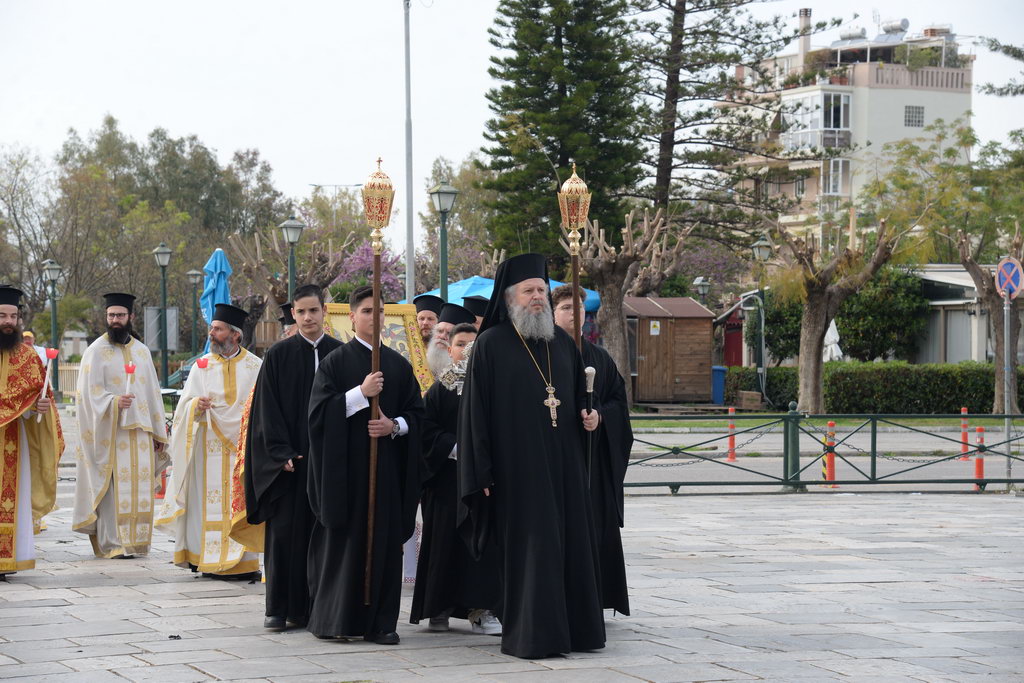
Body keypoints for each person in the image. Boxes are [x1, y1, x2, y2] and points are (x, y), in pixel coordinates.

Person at [458, 253, 604, 659]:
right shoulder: (490, 345)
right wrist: (481, 471)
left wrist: (591, 417)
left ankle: (577, 631)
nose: (537, 297)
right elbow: (474, 416)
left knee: (570, 545)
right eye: (529, 291)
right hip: (516, 472)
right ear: (510, 298)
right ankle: (534, 635)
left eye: (541, 289)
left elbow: (578, 402)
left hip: (565, 469)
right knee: (533, 550)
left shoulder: (563, 345)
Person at [306, 285, 424, 644]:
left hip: (385, 472)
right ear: (353, 317)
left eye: (381, 310)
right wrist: (360, 394)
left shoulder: (399, 365)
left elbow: (417, 416)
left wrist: (395, 426)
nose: (376, 317)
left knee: (384, 544)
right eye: (368, 311)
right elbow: (318, 415)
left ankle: (381, 622)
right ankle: (339, 620)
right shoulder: (335, 362)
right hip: (346, 475)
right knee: (347, 543)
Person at [245, 285, 342, 631]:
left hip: (328, 462)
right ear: (294, 315)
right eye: (300, 312)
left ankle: (314, 608)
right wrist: (280, 452)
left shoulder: (339, 354)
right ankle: (279, 608)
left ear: (324, 312)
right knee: (285, 535)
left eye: (313, 311)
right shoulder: (278, 355)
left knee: (322, 534)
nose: (307, 318)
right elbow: (265, 410)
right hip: (291, 463)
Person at [157, 303, 262, 579]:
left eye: (217, 329)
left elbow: (263, 408)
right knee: (205, 504)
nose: (211, 333)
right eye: (212, 328)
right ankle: (206, 559)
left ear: (235, 334)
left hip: (242, 450)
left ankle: (243, 563)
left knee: (240, 503)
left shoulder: (255, 366)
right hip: (207, 450)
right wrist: (195, 406)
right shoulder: (201, 367)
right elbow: (182, 410)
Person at [411, 322, 501, 635]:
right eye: (461, 344)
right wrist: (457, 449)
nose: (467, 350)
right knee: (444, 547)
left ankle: (482, 610)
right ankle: (440, 608)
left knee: (481, 547)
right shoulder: (441, 389)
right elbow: (426, 432)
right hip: (446, 481)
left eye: (473, 344)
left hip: (483, 484)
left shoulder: (494, 386)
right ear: (450, 350)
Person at [551, 284, 633, 615]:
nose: (575, 314)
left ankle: (594, 598)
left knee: (594, 527)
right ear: (554, 314)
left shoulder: (599, 358)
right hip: (555, 462)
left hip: (591, 464)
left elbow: (617, 402)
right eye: (567, 308)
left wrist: (600, 416)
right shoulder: (542, 356)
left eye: (580, 308)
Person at [74, 293, 169, 558]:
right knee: (113, 490)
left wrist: (159, 431)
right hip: (111, 433)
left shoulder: (141, 351)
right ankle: (113, 543)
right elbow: (86, 395)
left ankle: (136, 542)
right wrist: (114, 402)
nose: (115, 320)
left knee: (138, 488)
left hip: (139, 434)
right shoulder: (95, 352)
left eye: (120, 315)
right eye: (111, 316)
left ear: (131, 317)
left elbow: (152, 392)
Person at [0, 287, 62, 579]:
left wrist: (38, 406)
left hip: (15, 440)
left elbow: (38, 401)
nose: (8, 322)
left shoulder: (28, 357)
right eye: (2, 315)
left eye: (13, 316)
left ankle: (8, 557)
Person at [425, 303, 475, 378]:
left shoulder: (468, 372)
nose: (442, 337)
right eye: (440, 331)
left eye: (449, 333)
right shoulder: (420, 362)